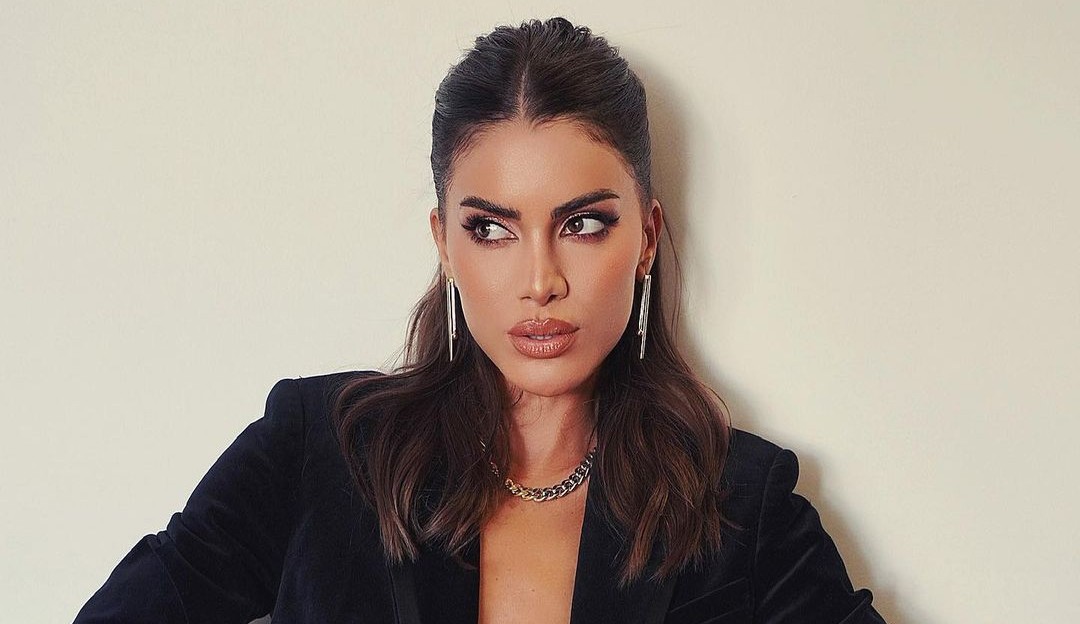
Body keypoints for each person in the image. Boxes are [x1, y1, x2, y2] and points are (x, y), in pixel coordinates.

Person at [75, 17, 886, 624]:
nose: (540, 282)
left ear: (646, 238)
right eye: (493, 229)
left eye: (583, 224)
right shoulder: (317, 448)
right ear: (445, 244)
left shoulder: (742, 504)